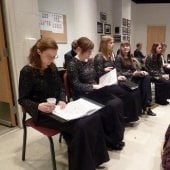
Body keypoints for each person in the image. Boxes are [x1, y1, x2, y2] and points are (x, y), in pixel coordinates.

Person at [18, 38, 110, 170]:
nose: (51, 60)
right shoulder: (27, 72)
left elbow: (61, 88)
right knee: (80, 125)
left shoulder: (52, 68)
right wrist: (38, 106)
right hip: (42, 113)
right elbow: (22, 99)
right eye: (48, 56)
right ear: (38, 52)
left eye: (54, 57)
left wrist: (62, 99)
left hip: (57, 108)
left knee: (93, 117)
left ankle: (95, 159)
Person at [67, 37, 125, 150]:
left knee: (117, 102)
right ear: (79, 50)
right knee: (111, 107)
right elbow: (76, 85)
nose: (90, 54)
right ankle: (109, 140)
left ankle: (115, 138)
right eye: (88, 51)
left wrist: (104, 72)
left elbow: (95, 75)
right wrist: (92, 86)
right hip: (83, 95)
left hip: (95, 90)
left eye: (91, 51)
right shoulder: (72, 64)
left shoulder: (89, 61)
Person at [94, 35, 140, 123]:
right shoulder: (99, 57)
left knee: (132, 90)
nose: (113, 45)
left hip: (113, 81)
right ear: (104, 44)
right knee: (126, 94)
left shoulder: (110, 55)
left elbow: (115, 70)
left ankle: (128, 115)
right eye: (111, 43)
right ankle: (125, 117)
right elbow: (96, 75)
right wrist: (104, 71)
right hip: (105, 84)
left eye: (113, 43)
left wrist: (118, 76)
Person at [115, 41, 156, 116]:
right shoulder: (118, 57)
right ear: (120, 48)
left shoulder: (130, 56)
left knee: (146, 77)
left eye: (127, 46)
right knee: (143, 83)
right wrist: (132, 74)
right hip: (125, 79)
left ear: (130, 47)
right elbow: (118, 72)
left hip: (133, 77)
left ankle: (147, 106)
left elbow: (133, 69)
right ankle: (145, 107)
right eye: (123, 46)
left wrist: (140, 72)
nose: (125, 47)